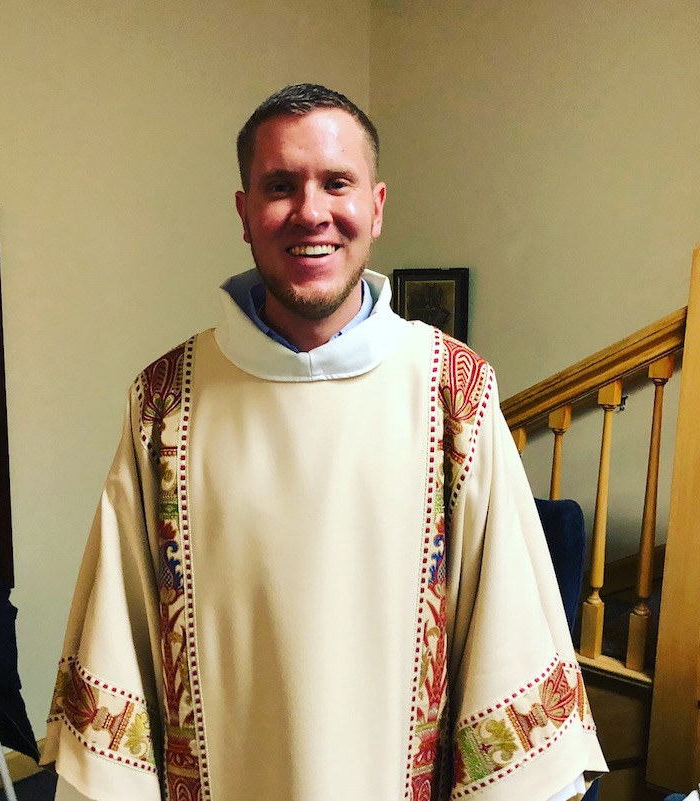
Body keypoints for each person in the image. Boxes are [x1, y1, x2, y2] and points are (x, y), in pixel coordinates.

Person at [42, 84, 606, 801]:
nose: (311, 211)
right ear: (245, 213)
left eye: (335, 183)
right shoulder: (163, 402)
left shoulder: (454, 395)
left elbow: (507, 635)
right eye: (281, 186)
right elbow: (118, 636)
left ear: (374, 206)